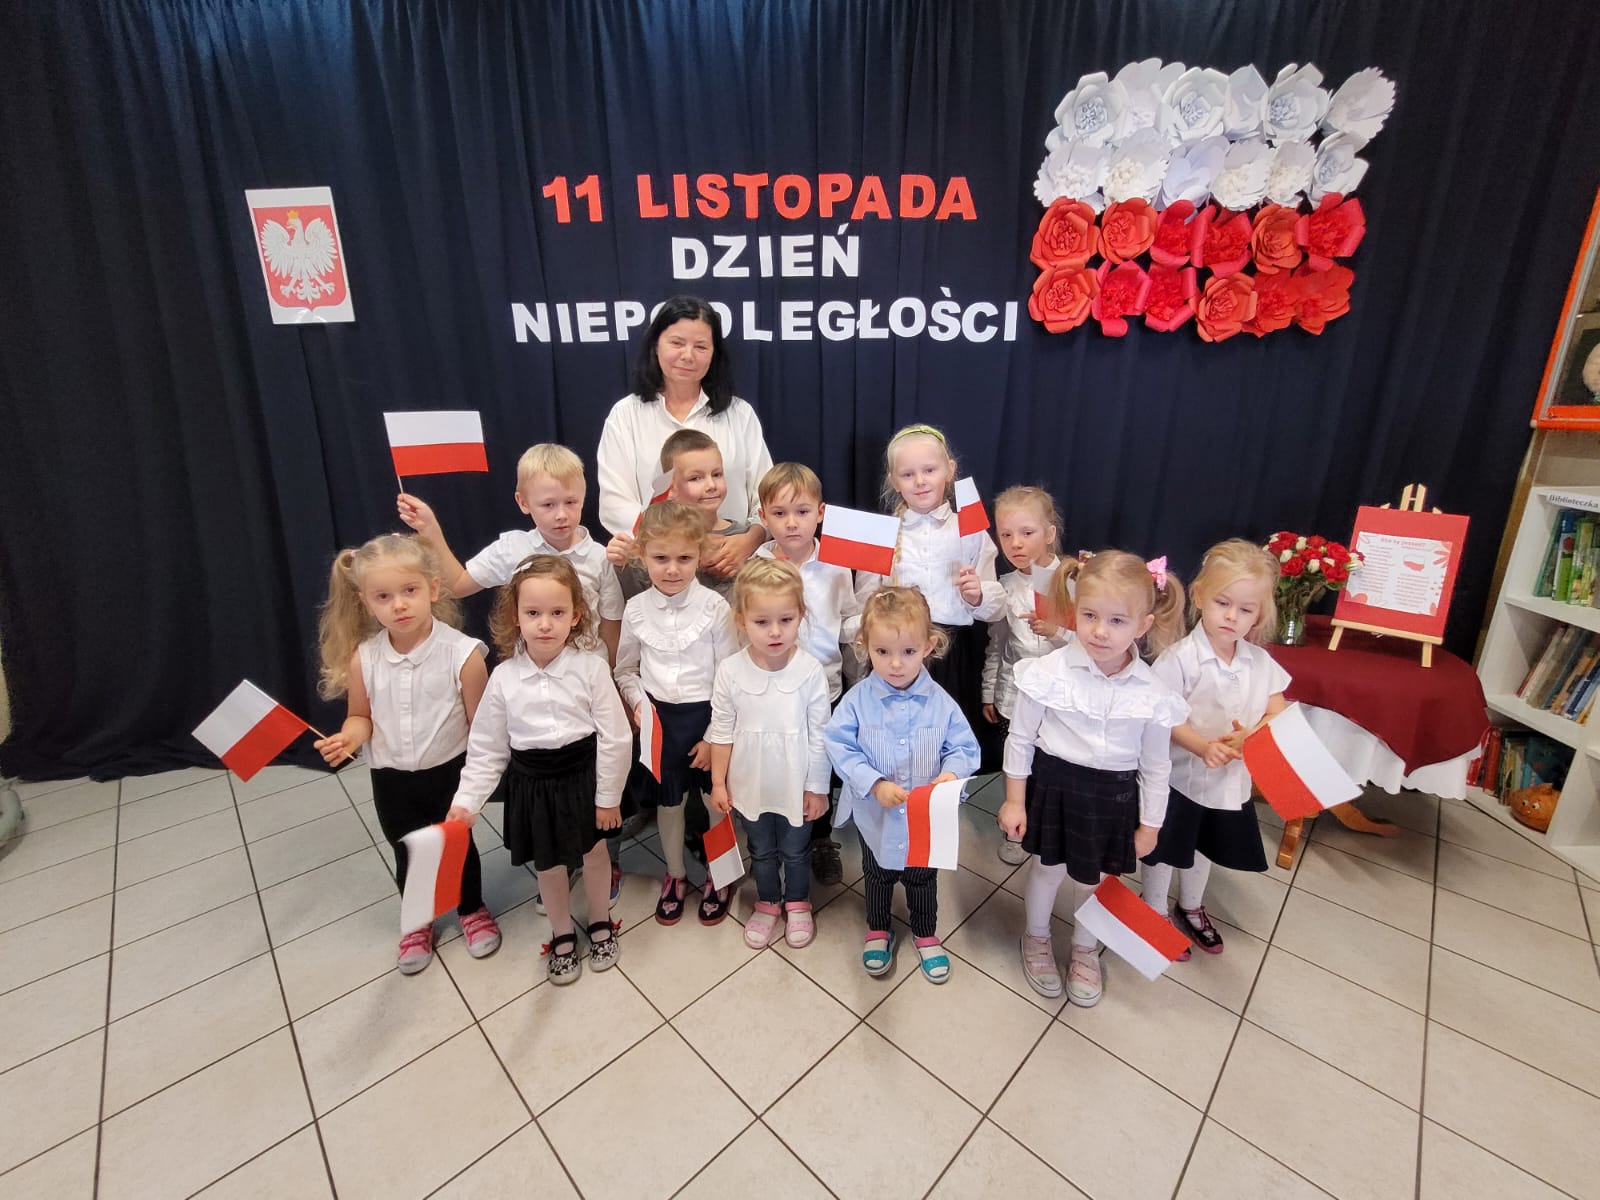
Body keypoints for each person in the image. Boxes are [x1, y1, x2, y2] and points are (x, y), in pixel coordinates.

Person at [399, 441, 627, 908]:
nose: (561, 514)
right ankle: (558, 865)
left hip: (585, 683)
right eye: (547, 504)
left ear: (585, 497)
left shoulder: (601, 557)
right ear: (524, 503)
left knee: (594, 776)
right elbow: (459, 583)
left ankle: (601, 857)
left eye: (571, 502)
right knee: (545, 778)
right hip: (532, 684)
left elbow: (611, 623)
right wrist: (431, 531)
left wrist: (612, 681)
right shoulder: (513, 548)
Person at [998, 551, 1189, 1007]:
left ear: (1142, 625)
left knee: (1096, 880)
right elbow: (1020, 739)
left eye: (1117, 620)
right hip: (1056, 786)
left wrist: (1151, 825)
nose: (1100, 631)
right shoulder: (1047, 673)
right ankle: (1036, 937)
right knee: (1047, 870)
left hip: (1113, 798)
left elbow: (1156, 766)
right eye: (1089, 616)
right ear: (1074, 612)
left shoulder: (1154, 694)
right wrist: (1014, 800)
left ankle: (1085, 948)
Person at [313, 534, 501, 975]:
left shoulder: (463, 654)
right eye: (383, 596)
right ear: (365, 602)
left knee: (457, 846)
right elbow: (360, 716)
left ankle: (471, 908)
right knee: (407, 849)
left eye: (409, 590)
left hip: (449, 770)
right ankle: (417, 920)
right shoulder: (364, 659)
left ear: (433, 589)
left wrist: (476, 786)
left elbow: (482, 729)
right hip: (391, 778)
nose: (399, 605)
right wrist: (348, 738)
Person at [446, 556, 631, 984]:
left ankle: (601, 921)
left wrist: (607, 798)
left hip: (584, 778)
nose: (545, 624)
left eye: (557, 613)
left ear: (576, 615)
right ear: (515, 616)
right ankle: (562, 934)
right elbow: (487, 748)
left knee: (595, 854)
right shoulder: (503, 678)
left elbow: (616, 737)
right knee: (549, 865)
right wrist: (467, 802)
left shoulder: (591, 669)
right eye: (533, 613)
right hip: (534, 785)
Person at [825, 587, 981, 984]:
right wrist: (873, 782)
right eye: (883, 652)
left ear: (929, 646)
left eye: (908, 652)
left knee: (922, 877)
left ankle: (926, 932)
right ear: (864, 645)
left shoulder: (941, 703)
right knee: (877, 874)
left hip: (923, 818)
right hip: (875, 815)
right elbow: (838, 744)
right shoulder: (857, 701)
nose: (896, 664)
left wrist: (951, 774)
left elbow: (963, 748)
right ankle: (878, 927)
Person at [1144, 540, 1290, 958]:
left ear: (1258, 615)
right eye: (1223, 603)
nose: (1231, 616)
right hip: (1179, 779)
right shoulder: (1180, 659)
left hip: (1228, 782)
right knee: (1166, 846)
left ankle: (1190, 905)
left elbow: (1278, 711)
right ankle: (1153, 909)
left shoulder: (1259, 662)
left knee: (1203, 845)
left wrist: (1251, 736)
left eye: (1245, 610)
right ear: (1200, 596)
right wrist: (1201, 746)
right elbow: (1163, 717)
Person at [614, 501, 740, 926]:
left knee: (715, 801)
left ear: (699, 556)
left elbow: (729, 676)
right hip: (661, 724)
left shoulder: (714, 608)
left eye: (684, 558)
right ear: (643, 556)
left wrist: (713, 736)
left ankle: (721, 874)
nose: (672, 569)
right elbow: (625, 670)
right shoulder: (636, 610)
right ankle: (675, 874)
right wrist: (638, 702)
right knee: (670, 805)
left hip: (708, 720)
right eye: (661, 558)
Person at [853, 424, 1003, 762]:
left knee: (944, 745)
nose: (920, 481)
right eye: (908, 474)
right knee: (892, 743)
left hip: (952, 659)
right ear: (894, 480)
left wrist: (978, 596)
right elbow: (863, 605)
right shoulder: (881, 535)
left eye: (929, 470)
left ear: (949, 470)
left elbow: (997, 607)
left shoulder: (969, 530)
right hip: (895, 654)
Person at [595, 296, 771, 577]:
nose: (688, 355)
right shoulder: (626, 415)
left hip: (732, 566)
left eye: (700, 346)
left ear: (714, 353)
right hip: (660, 571)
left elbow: (767, 493)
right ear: (656, 344)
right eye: (677, 343)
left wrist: (751, 539)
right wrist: (679, 547)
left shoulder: (739, 414)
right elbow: (614, 504)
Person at [706, 558, 832, 949]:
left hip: (796, 783)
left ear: (801, 616)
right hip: (750, 783)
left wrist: (817, 787)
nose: (775, 632)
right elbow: (721, 730)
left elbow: (821, 735)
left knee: (795, 850)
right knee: (760, 849)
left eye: (786, 620)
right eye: (762, 622)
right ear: (742, 621)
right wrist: (718, 782)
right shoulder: (730, 670)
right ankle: (768, 901)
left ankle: (797, 900)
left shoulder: (810, 671)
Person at [752, 462, 862, 886]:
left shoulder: (836, 564)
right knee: (780, 763)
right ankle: (777, 838)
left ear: (820, 512)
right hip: (774, 689)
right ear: (763, 516)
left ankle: (820, 839)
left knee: (820, 766)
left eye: (801, 511)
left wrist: (866, 627)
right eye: (779, 513)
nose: (791, 523)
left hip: (825, 687)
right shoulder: (756, 565)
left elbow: (846, 619)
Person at [982, 486, 1073, 866]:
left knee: (1052, 767)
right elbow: (997, 644)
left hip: (1062, 699)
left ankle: (1048, 827)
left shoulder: (1072, 580)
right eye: (1006, 535)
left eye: (1027, 533)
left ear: (1049, 533)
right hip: (1015, 696)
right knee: (1017, 761)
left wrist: (1058, 632)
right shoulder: (1004, 587)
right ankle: (1015, 830)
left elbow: (1094, 646)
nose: (1016, 544)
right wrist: (989, 690)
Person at [608, 429, 749, 600]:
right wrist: (621, 562)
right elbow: (636, 599)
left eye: (717, 474)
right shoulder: (654, 539)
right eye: (695, 478)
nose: (711, 485)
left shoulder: (743, 539)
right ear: (670, 488)